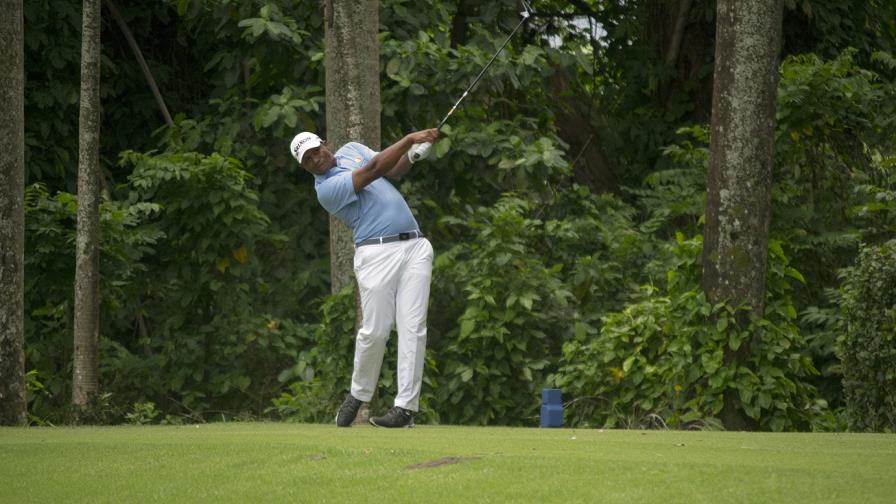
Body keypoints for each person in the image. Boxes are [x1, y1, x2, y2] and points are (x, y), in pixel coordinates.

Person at [289, 128, 440, 428]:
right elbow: (372, 171)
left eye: (316, 150)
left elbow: (392, 169)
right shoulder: (326, 190)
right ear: (304, 168)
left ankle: (405, 409)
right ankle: (358, 395)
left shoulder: (352, 149)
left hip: (415, 246)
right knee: (376, 330)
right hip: (376, 254)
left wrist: (411, 155)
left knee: (413, 328)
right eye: (307, 160)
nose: (316, 159)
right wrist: (410, 139)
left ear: (325, 144)